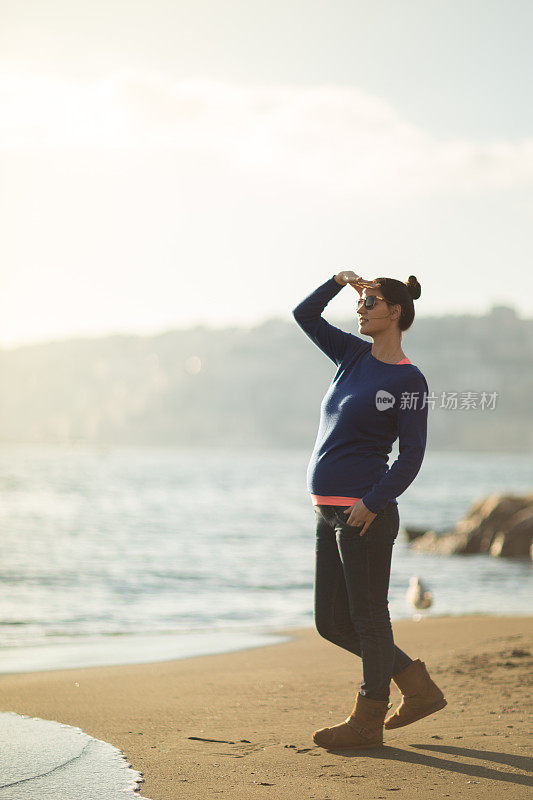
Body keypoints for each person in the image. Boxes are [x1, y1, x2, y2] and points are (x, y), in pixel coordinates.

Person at [292, 270, 446, 750]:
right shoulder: (351, 356)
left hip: (364, 515)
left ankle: (367, 720)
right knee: (331, 623)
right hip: (327, 514)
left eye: (372, 301)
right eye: (361, 302)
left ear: (395, 312)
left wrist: (372, 502)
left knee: (369, 619)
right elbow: (304, 314)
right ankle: (416, 688)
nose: (361, 308)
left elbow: (412, 456)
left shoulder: (409, 380)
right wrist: (339, 281)